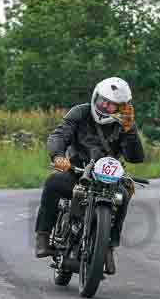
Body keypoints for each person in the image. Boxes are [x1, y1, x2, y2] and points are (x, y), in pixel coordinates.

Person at [34, 77, 144, 275]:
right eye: (103, 101)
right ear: (95, 97)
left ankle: (108, 247)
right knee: (52, 182)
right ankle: (43, 235)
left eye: (112, 105)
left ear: (122, 107)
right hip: (77, 171)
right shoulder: (81, 112)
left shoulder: (126, 124)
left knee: (123, 196)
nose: (105, 106)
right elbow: (59, 134)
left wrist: (129, 132)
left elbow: (136, 157)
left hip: (108, 179)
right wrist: (58, 155)